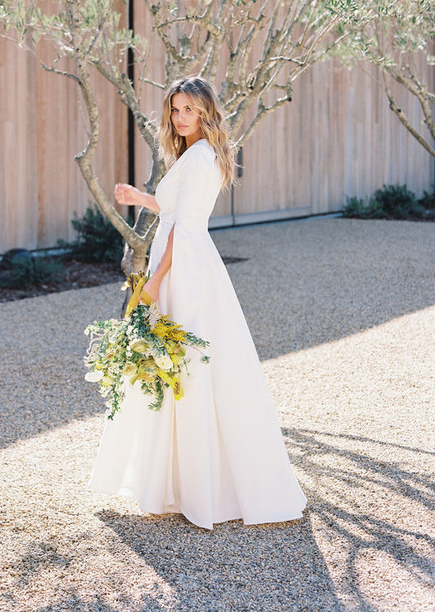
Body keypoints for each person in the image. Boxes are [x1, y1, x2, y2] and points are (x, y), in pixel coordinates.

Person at [89, 76, 307, 529]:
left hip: (183, 270)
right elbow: (175, 212)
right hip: (181, 266)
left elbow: (185, 232)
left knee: (186, 365)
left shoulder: (204, 157)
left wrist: (152, 284)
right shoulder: (194, 154)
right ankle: (179, 481)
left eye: (188, 109)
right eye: (175, 109)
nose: (179, 117)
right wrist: (140, 199)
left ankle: (206, 487)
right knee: (173, 367)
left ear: (206, 112)